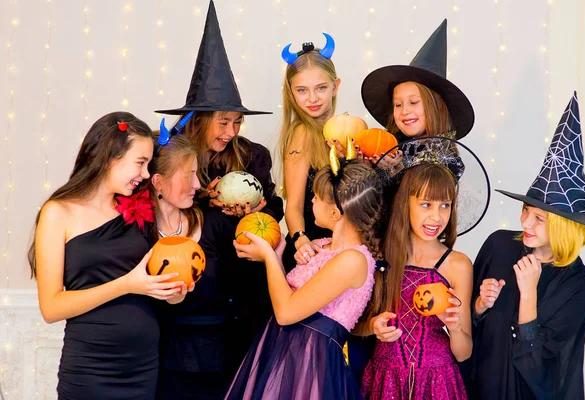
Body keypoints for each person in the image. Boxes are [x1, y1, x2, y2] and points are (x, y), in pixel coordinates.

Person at [154, 0, 282, 382]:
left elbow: (273, 212)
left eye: (237, 122)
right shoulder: (172, 158)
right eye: (223, 121)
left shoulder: (252, 156)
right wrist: (202, 199)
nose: (230, 131)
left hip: (243, 295)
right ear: (200, 119)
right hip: (188, 297)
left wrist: (259, 211)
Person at [28, 112, 185, 400]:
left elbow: (154, 283)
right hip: (90, 371)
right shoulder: (58, 213)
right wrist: (126, 284)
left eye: (149, 164)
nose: (147, 174)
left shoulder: (141, 210)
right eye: (140, 163)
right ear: (110, 156)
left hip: (143, 368)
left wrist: (174, 291)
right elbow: (51, 307)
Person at [468, 92, 585, 400]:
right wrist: (479, 307)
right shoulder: (499, 245)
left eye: (539, 218)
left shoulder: (579, 286)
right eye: (526, 210)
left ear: (564, 226)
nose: (525, 222)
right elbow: (465, 329)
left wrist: (528, 293)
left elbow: (545, 369)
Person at [226, 151, 384, 400]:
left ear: (335, 214)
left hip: (311, 364)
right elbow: (290, 299)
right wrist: (277, 255)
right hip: (282, 349)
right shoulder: (323, 244)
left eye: (317, 197)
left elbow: (286, 312)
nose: (311, 201)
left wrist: (268, 257)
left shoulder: (353, 260)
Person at [359, 137, 490, 400]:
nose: (436, 217)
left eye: (445, 205)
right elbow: (352, 324)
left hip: (438, 381)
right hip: (385, 380)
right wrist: (373, 325)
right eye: (426, 204)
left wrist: (453, 328)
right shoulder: (380, 253)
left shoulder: (457, 264)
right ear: (405, 203)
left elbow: (464, 352)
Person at [144, 132, 241, 399]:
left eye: (197, 174)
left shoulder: (215, 223)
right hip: (160, 363)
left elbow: (244, 288)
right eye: (189, 175)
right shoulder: (137, 234)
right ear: (158, 181)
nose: (197, 184)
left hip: (219, 360)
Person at [276, 33, 343, 272]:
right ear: (291, 93)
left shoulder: (342, 131)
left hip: (341, 248)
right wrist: (300, 239)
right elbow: (293, 205)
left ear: (335, 87)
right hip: (312, 251)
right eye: (302, 90)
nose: (312, 98)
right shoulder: (302, 133)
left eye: (321, 88)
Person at [361, 19, 474, 144]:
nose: (404, 111)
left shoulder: (448, 161)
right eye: (398, 105)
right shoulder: (386, 150)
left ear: (436, 107)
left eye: (413, 102)